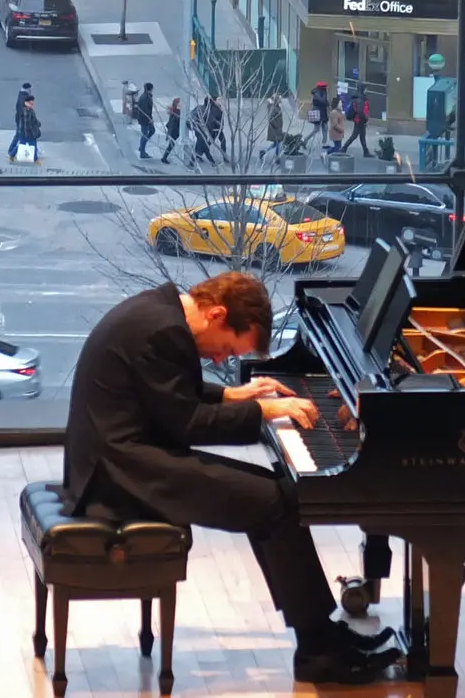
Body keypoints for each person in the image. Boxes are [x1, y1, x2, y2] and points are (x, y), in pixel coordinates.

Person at [64, 274, 402, 684]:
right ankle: (318, 650)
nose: (223, 361)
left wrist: (231, 395)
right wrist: (265, 413)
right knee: (273, 503)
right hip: (120, 475)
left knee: (278, 494)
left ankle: (321, 635)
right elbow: (186, 423)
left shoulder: (162, 308)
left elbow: (165, 392)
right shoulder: (165, 331)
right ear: (217, 313)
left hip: (122, 456)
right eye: (227, 348)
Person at [341, 91, 371, 157]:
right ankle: (344, 148)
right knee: (354, 136)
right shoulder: (360, 100)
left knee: (362, 136)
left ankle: (365, 151)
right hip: (360, 121)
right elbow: (361, 112)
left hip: (360, 120)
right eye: (366, 89)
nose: (367, 90)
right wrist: (365, 120)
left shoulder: (361, 98)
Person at [15, 96, 43, 164]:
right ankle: (36, 159)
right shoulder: (28, 112)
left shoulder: (26, 110)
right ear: (26, 103)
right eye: (31, 103)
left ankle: (12, 156)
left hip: (23, 132)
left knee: (21, 145)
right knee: (33, 145)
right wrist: (38, 124)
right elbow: (30, 122)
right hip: (29, 132)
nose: (32, 104)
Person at [134, 82, 157, 159]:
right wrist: (149, 119)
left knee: (152, 131)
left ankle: (142, 146)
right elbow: (144, 111)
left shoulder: (148, 96)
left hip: (147, 118)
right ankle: (142, 152)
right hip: (144, 119)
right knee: (145, 135)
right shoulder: (144, 98)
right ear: (150, 89)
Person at [160, 97, 184, 165]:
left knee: (171, 145)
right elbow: (175, 122)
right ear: (177, 104)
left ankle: (164, 158)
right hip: (174, 131)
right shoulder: (177, 112)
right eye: (180, 103)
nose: (181, 104)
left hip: (173, 130)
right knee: (171, 145)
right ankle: (164, 158)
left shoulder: (174, 110)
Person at [263, 91, 285, 162]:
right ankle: (277, 157)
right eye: (280, 99)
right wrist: (277, 126)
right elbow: (270, 119)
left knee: (276, 143)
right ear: (276, 99)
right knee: (278, 142)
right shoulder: (273, 108)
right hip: (275, 129)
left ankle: (264, 153)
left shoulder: (276, 106)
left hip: (277, 128)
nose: (281, 100)